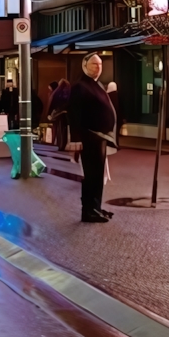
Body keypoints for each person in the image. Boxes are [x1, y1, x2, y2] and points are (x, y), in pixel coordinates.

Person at [67, 53, 116, 223]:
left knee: (97, 176)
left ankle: (95, 207)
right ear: (85, 66)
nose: (98, 67)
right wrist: (76, 140)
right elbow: (75, 115)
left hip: (99, 139)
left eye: (100, 64)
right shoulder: (80, 86)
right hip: (89, 138)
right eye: (94, 64)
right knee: (92, 176)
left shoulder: (97, 85)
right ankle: (88, 211)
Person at [49, 79, 71, 151]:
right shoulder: (69, 93)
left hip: (58, 114)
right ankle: (62, 145)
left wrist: (50, 113)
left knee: (58, 130)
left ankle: (59, 144)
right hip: (66, 115)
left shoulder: (57, 93)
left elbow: (52, 104)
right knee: (64, 132)